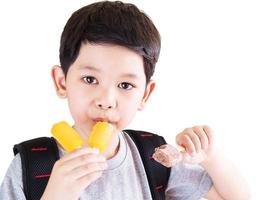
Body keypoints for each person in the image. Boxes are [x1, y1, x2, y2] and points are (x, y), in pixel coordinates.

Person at [0, 1, 250, 199]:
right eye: (89, 79)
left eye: (125, 85)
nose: (106, 100)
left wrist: (211, 157)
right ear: (61, 81)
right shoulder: (31, 164)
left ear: (145, 94)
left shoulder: (154, 157)